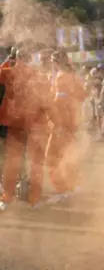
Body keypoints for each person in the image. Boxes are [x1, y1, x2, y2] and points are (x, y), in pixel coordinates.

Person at [0, 46, 51, 211]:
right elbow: (46, 100)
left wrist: (8, 60)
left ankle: (7, 198)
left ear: (16, 58)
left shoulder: (8, 71)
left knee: (12, 161)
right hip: (35, 123)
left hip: (15, 123)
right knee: (36, 162)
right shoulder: (39, 75)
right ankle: (34, 199)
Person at [46, 51, 87, 204]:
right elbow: (83, 95)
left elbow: (59, 102)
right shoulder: (73, 76)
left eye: (52, 60)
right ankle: (75, 187)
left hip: (60, 125)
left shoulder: (61, 77)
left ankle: (62, 191)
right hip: (71, 123)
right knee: (68, 155)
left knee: (51, 158)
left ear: (56, 62)